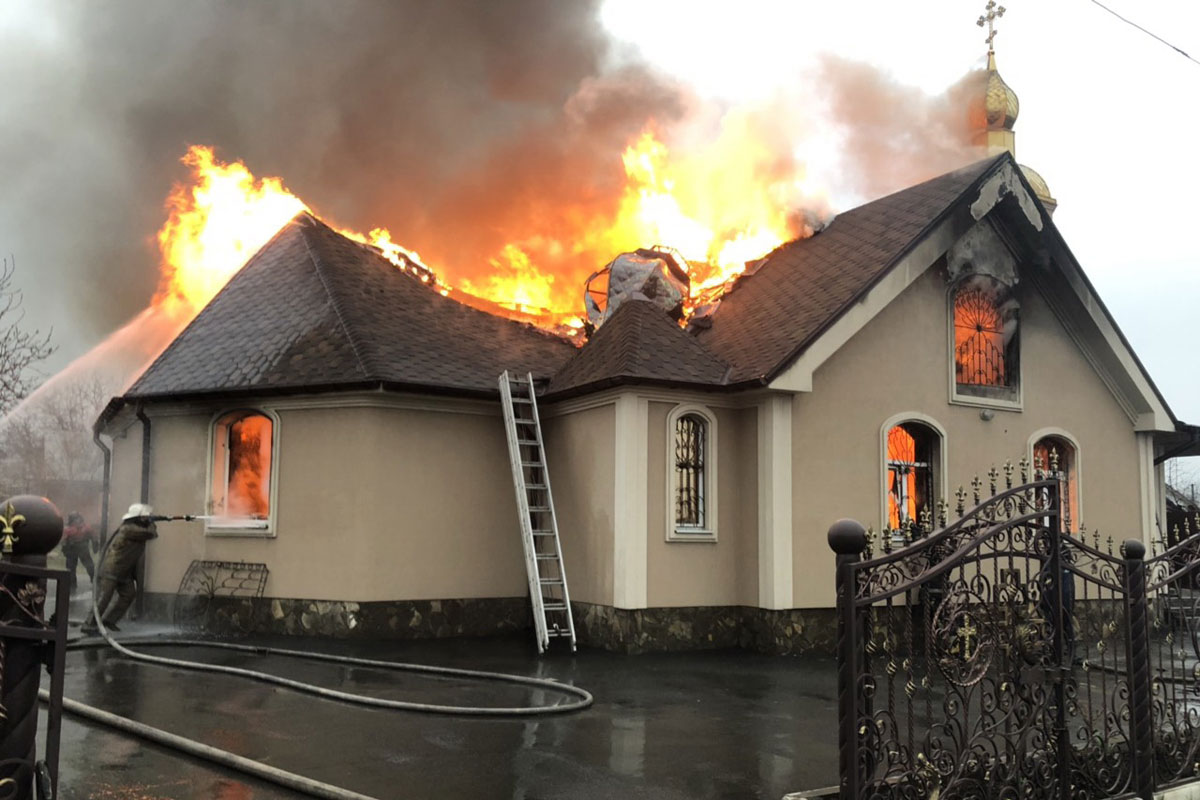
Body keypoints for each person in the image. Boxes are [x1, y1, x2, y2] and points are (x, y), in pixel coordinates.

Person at [82, 503, 158, 634]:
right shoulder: (128, 529)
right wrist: (152, 522)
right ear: (136, 517)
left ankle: (109, 620)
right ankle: (89, 624)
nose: (147, 519)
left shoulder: (136, 528)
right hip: (112, 568)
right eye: (144, 517)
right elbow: (151, 533)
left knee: (129, 594)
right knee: (104, 597)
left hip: (124, 571)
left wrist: (150, 521)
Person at [60, 512, 98, 595]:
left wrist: (64, 550)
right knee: (84, 566)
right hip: (77, 549)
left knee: (85, 566)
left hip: (77, 549)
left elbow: (63, 541)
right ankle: (93, 581)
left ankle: (93, 582)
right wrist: (95, 545)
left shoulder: (69, 529)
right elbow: (94, 537)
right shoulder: (83, 527)